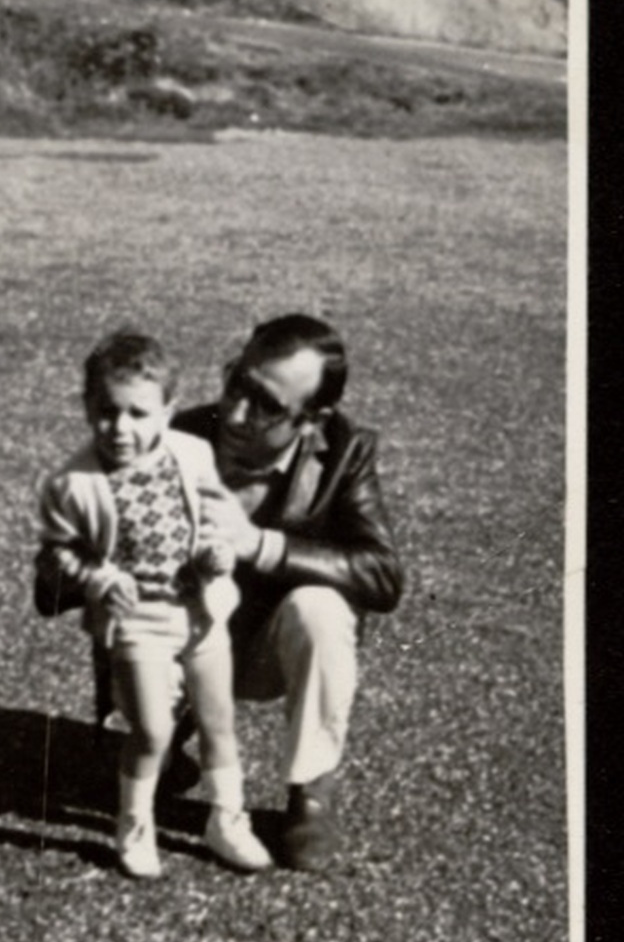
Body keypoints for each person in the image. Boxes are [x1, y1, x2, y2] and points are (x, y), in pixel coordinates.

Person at [37, 314, 404, 873]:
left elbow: (382, 576)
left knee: (322, 610)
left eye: (266, 405)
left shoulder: (346, 453)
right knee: (137, 762)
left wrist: (258, 543)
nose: (234, 413)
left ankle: (310, 795)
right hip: (173, 640)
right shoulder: (172, 435)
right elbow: (51, 582)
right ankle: (160, 743)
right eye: (236, 382)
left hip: (263, 647)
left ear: (314, 420)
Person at [35, 330, 273, 879]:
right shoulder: (73, 482)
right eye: (106, 412)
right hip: (138, 620)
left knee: (219, 722)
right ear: (86, 407)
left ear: (168, 410)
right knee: (153, 732)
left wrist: (216, 553)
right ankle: (134, 822)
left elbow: (214, 519)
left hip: (200, 611)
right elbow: (55, 557)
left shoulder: (192, 453)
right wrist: (95, 577)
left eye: (138, 414)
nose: (120, 429)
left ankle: (226, 818)